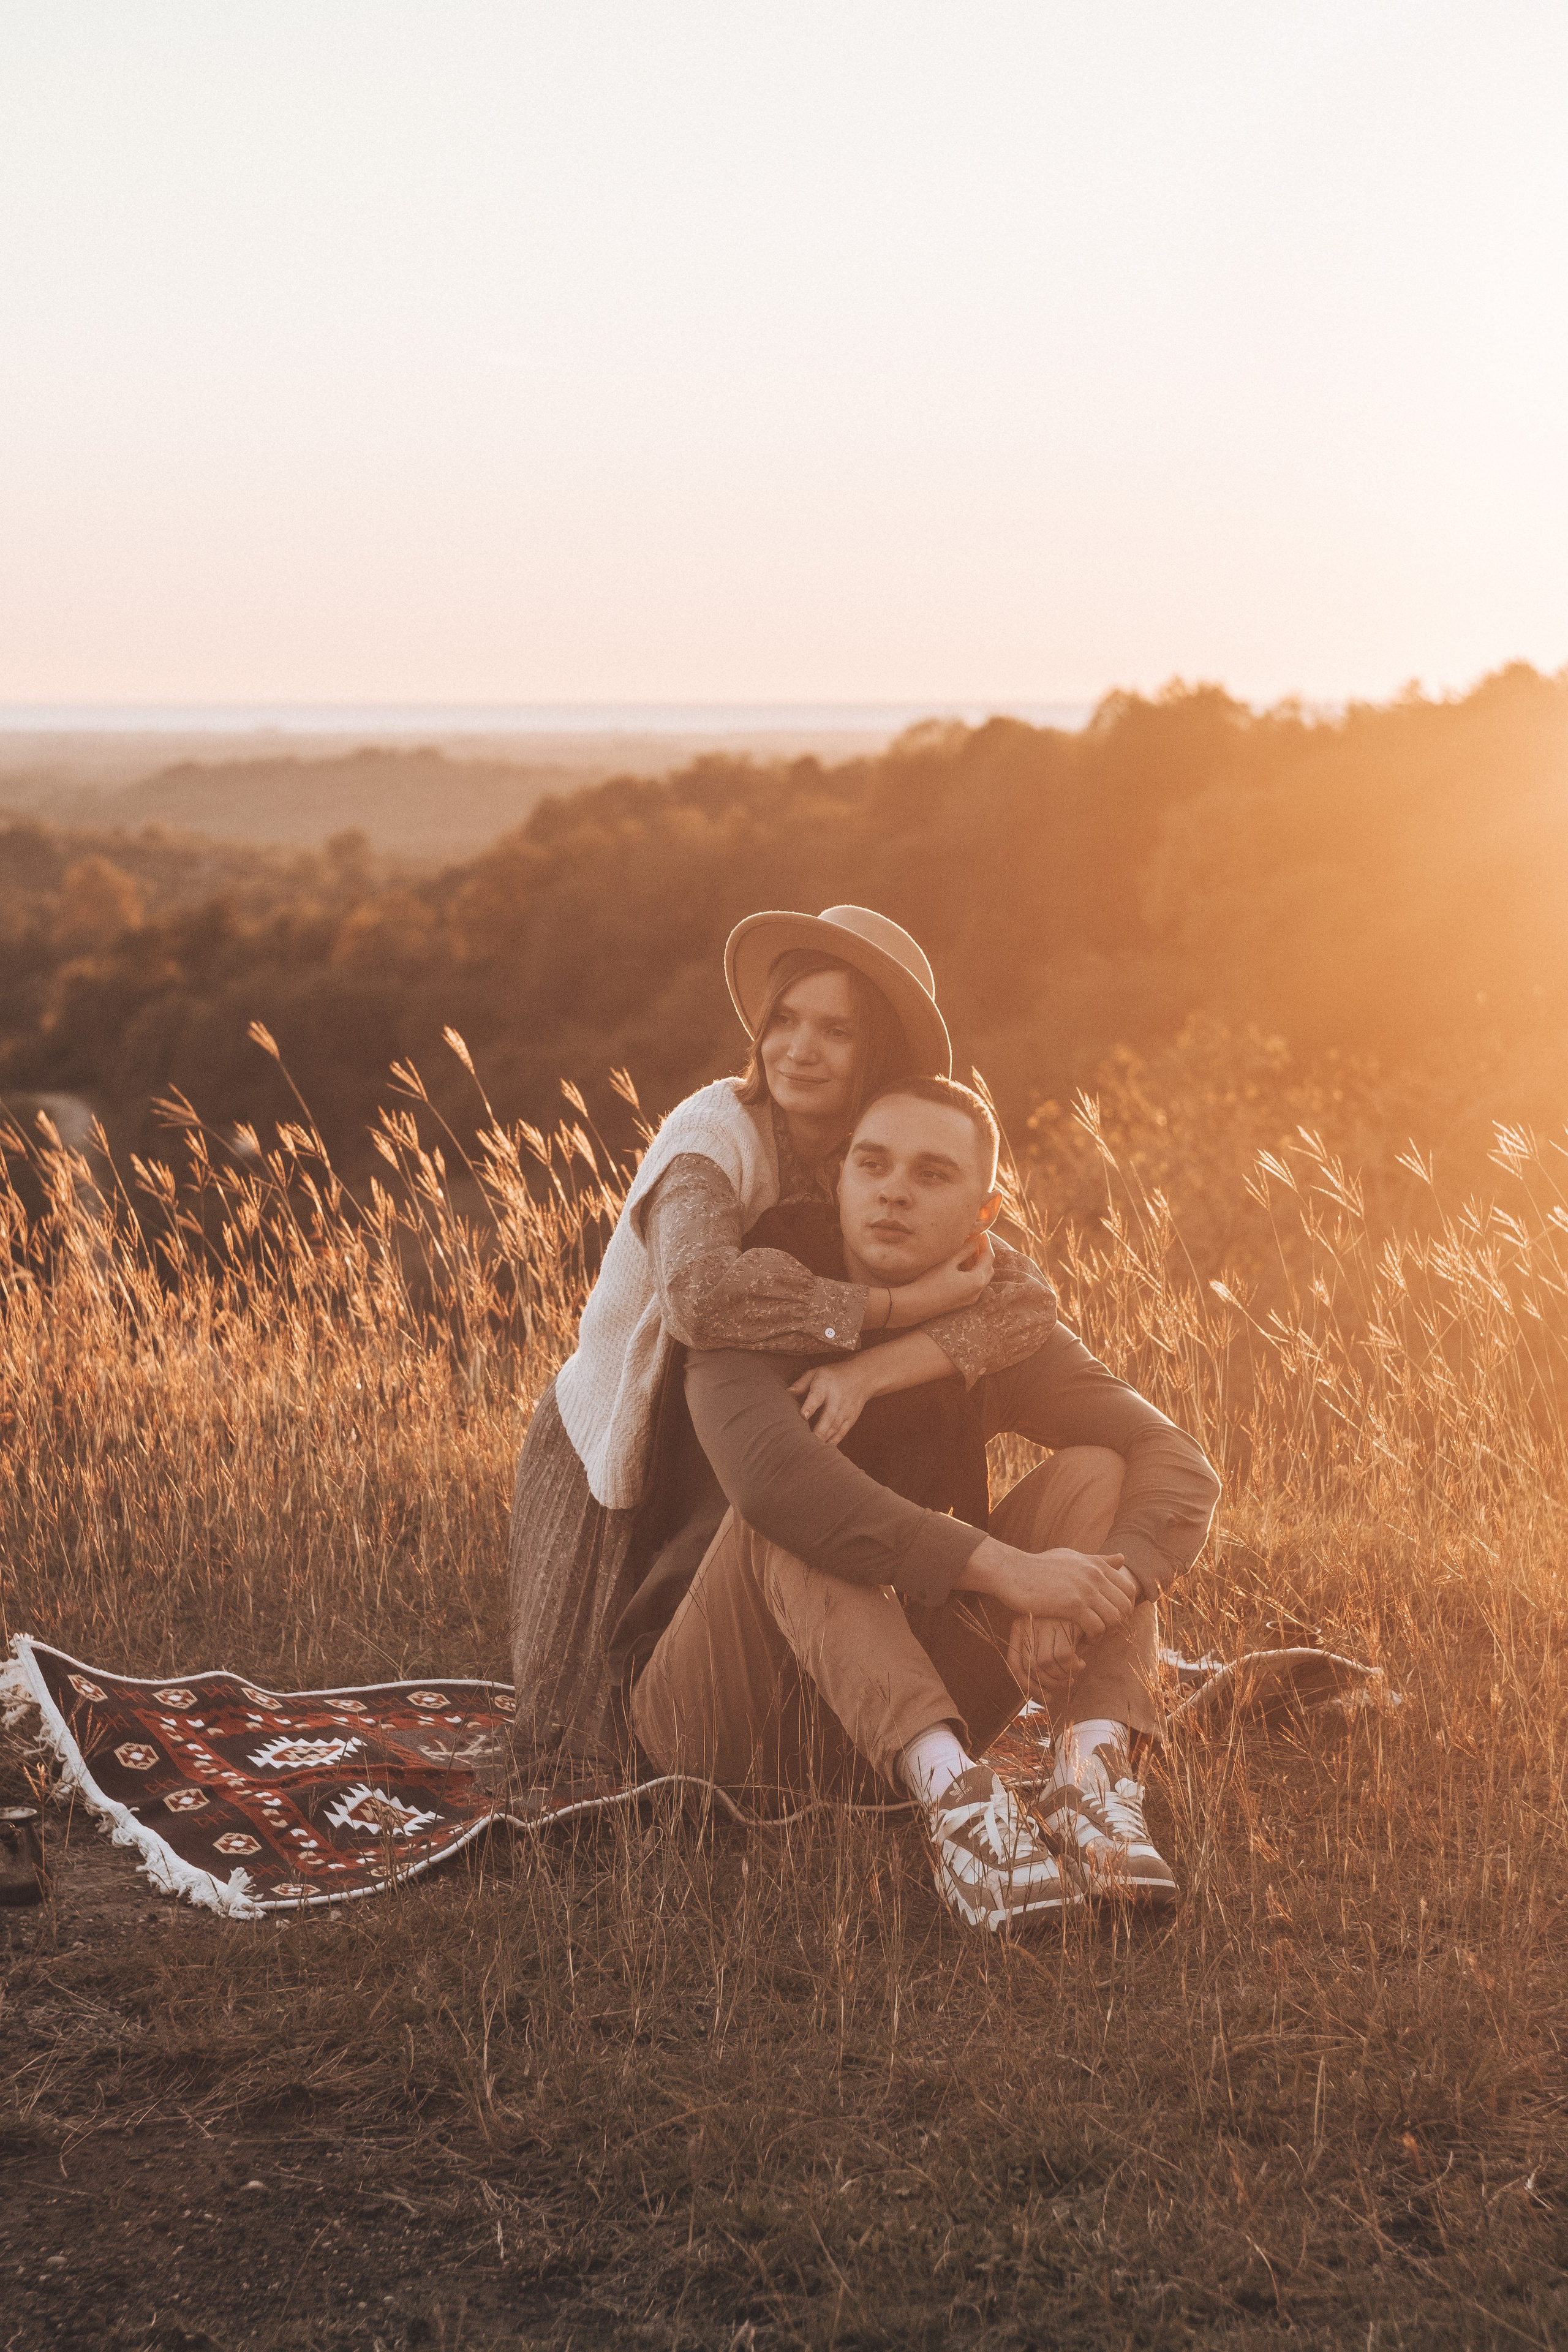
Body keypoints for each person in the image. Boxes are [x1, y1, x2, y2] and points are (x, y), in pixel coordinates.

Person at [629, 1076, 1223, 1933]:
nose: (895, 1189)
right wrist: (1013, 1574)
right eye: (872, 1163)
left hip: (903, 1689)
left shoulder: (991, 1326)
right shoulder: (762, 1297)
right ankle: (960, 1815)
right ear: (839, 1179)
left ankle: (1089, 1784)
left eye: (932, 1174)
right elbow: (775, 1485)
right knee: (799, 1511)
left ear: (984, 1216)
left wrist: (1097, 1592)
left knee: (1097, 1469)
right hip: (720, 1714)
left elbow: (1177, 1459)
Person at [506, 907, 1060, 1769]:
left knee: (770, 1607)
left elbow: (1024, 1300)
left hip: (737, 1422)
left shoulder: (876, 1147)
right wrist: (897, 1306)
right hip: (621, 1435)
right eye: (785, 1021)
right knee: (579, 1743)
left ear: (877, 1052)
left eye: (836, 1030)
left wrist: (877, 1369)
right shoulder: (709, 1137)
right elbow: (699, 1298)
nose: (798, 1049)